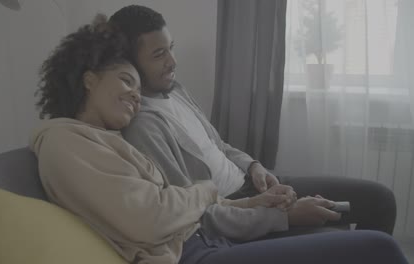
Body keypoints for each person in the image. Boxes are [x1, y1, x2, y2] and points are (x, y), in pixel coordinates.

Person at [30, 14, 408, 264]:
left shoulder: (107, 134)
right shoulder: (69, 142)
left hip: (213, 227)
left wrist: (256, 181)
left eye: (170, 50)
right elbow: (158, 216)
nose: (133, 94)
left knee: (375, 206)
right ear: (89, 79)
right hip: (196, 250)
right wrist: (233, 199)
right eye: (126, 80)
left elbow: (179, 194)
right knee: (381, 248)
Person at [113, 5, 397, 236]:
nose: (173, 62)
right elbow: (192, 213)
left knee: (380, 200)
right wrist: (282, 218)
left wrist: (254, 165)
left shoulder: (175, 91)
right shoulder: (143, 126)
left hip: (256, 184)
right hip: (239, 209)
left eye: (170, 48)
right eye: (159, 54)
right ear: (129, 64)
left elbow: (218, 146)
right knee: (356, 242)